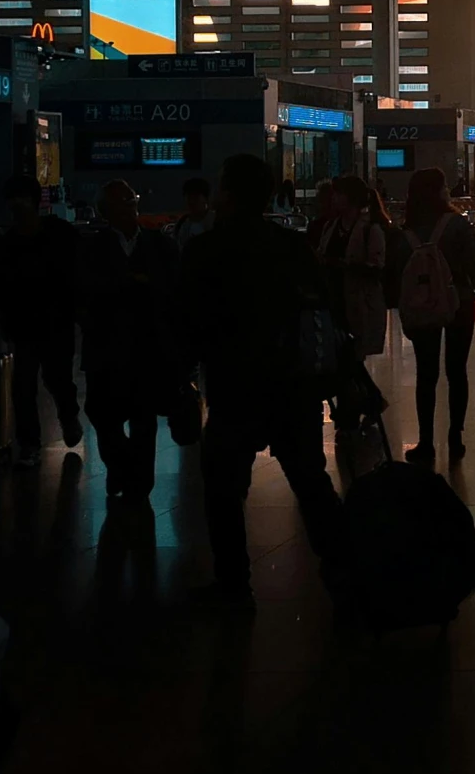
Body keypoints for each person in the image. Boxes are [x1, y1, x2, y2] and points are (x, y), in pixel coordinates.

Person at [181, 154, 348, 606]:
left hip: (236, 387)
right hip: (294, 388)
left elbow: (189, 322)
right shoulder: (291, 247)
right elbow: (323, 309)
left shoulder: (207, 251)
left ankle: (234, 586)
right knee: (311, 481)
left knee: (224, 488)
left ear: (228, 194)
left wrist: (181, 377)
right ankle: (347, 573)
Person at [74, 180, 183, 501]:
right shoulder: (91, 248)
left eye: (131, 201)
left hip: (146, 346)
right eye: (123, 203)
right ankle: (123, 467)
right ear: (106, 211)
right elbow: (81, 294)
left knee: (142, 417)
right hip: (107, 345)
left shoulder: (159, 245)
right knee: (103, 414)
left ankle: (138, 481)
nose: (130, 208)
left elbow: (174, 293)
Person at [0, 171, 82, 466]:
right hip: (32, 325)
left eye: (19, 198)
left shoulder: (11, 244)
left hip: (48, 323)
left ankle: (60, 420)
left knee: (53, 378)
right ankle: (34, 439)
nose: (16, 205)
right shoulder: (53, 235)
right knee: (26, 384)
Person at [398, 166, 475, 463]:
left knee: (426, 374)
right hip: (458, 302)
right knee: (457, 371)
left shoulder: (407, 230)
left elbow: (399, 273)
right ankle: (455, 436)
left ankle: (426, 442)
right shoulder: (457, 225)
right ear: (439, 191)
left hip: (421, 305)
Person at [311, 174, 389, 362]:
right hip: (333, 302)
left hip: (358, 304)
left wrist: (342, 265)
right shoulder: (331, 226)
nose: (334, 198)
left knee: (353, 357)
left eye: (339, 194)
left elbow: (376, 268)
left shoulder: (370, 229)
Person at [170, 175, 216, 254]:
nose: (191, 202)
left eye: (196, 198)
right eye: (189, 197)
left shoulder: (215, 222)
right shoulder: (182, 224)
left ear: (206, 199)